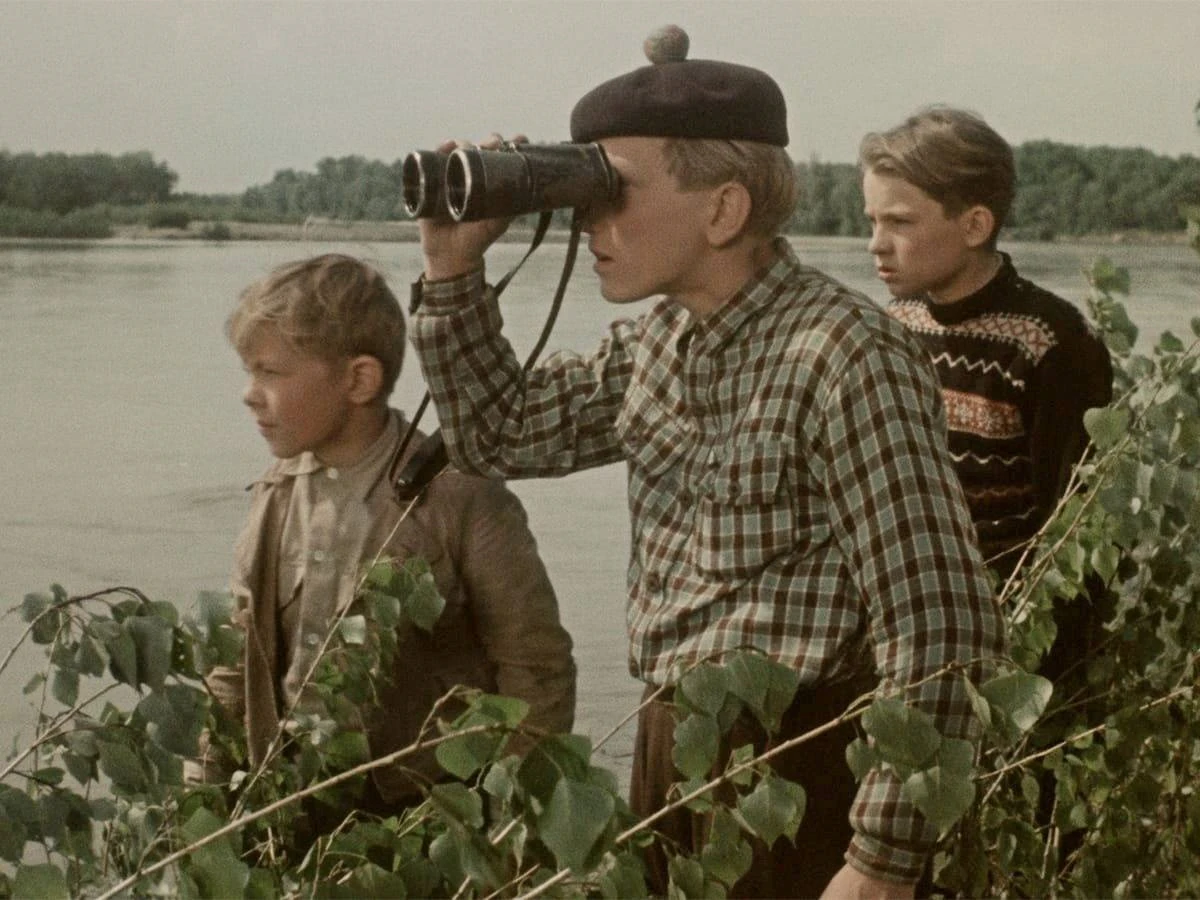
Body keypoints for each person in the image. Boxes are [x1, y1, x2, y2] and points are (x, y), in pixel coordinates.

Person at [408, 27, 1006, 900]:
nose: (589, 220)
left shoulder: (843, 355)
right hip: (674, 754)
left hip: (803, 771)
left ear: (724, 210)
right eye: (583, 190)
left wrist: (882, 860)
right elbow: (498, 433)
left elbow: (943, 627)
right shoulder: (658, 344)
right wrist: (451, 266)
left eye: (614, 191)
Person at [199, 253, 576, 838]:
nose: (250, 394)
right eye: (249, 373)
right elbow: (234, 664)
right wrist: (201, 801)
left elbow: (537, 672)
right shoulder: (274, 494)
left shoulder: (462, 498)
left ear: (358, 380)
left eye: (270, 373)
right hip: (293, 806)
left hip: (428, 816)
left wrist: (505, 827)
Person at [860, 106, 1115, 584]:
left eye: (899, 222)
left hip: (1008, 623)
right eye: (872, 221)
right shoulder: (893, 325)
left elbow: (1077, 529)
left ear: (975, 226)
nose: (876, 243)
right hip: (904, 606)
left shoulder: (1052, 344)